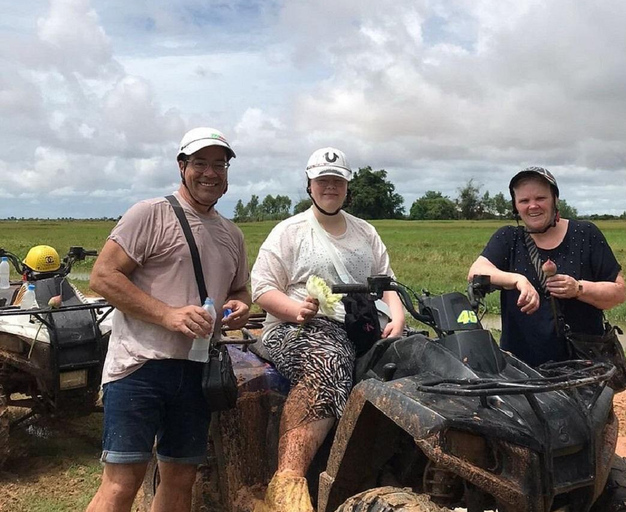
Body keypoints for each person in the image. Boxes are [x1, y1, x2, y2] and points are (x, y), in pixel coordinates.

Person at [86, 127, 251, 512]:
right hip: (139, 367)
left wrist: (239, 306)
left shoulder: (232, 234)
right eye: (200, 163)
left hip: (196, 372)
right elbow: (103, 277)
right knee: (123, 481)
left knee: (180, 480)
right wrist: (168, 315)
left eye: (219, 165)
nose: (210, 173)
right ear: (181, 167)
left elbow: (240, 290)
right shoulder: (149, 214)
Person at [251, 147, 405, 512]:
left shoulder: (365, 232)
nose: (330, 187)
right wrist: (296, 310)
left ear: (347, 187)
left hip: (363, 327)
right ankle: (288, 485)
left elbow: (388, 285)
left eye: (337, 181)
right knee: (329, 359)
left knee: (416, 358)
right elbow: (262, 288)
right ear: (310, 185)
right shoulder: (290, 232)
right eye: (323, 181)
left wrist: (397, 319)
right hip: (297, 329)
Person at [468, 166, 626, 367]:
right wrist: (518, 280)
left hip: (583, 366)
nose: (533, 206)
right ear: (515, 206)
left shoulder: (585, 234)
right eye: (524, 201)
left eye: (540, 198)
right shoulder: (509, 238)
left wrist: (578, 289)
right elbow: (476, 273)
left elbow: (619, 293)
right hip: (521, 368)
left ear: (555, 200)